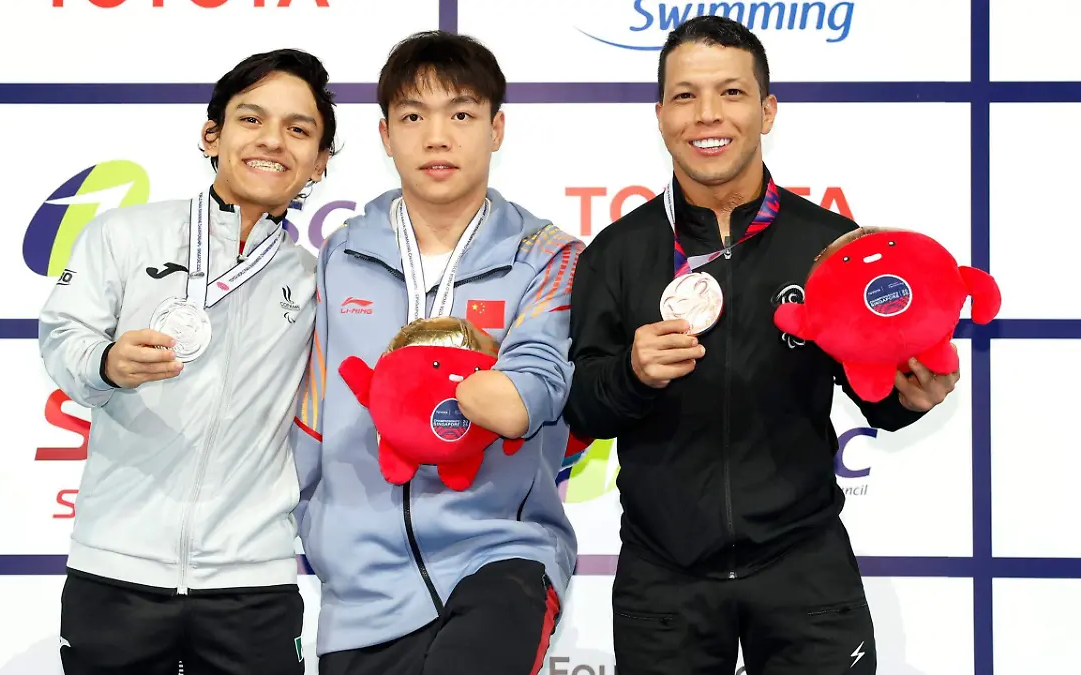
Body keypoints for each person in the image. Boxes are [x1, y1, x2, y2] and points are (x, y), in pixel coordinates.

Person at [563, 16, 961, 675]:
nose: (708, 115)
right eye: (686, 96)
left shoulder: (833, 248)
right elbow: (581, 406)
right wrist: (632, 373)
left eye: (732, 92)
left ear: (768, 109)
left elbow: (877, 390)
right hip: (664, 580)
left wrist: (909, 398)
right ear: (660, 115)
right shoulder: (617, 253)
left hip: (804, 569)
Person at [289, 30, 582, 675]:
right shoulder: (342, 254)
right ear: (385, 134)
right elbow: (312, 411)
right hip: (359, 585)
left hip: (500, 555)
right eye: (413, 116)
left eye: (461, 114)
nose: (437, 137)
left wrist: (494, 392)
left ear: (496, 128)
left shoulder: (548, 256)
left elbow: (536, 387)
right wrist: (317, 525)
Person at [37, 48, 338, 675]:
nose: (273, 142)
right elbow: (62, 335)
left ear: (319, 163)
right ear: (212, 134)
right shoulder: (125, 234)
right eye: (251, 120)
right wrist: (105, 362)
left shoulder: (318, 279)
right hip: (115, 565)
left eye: (298, 129)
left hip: (254, 578)